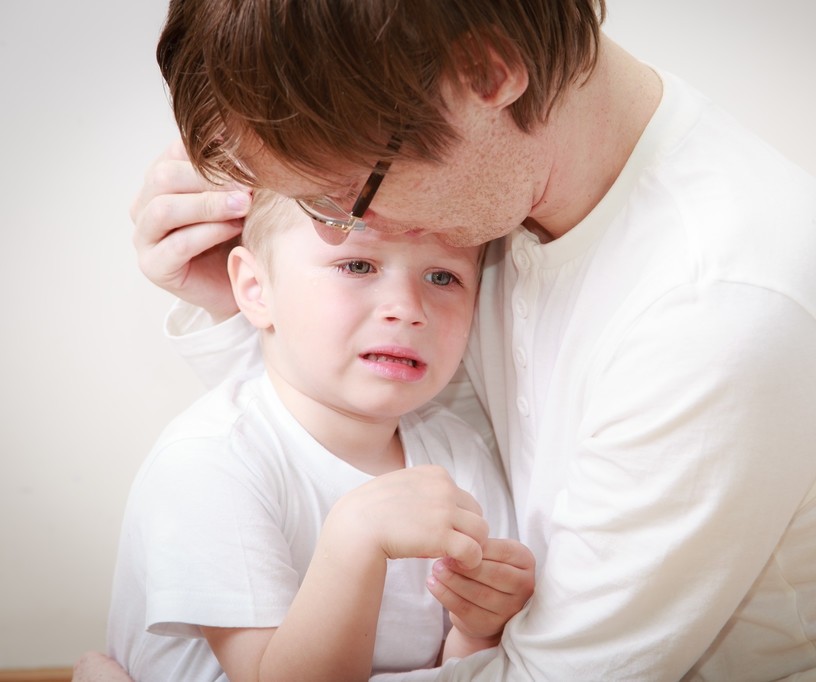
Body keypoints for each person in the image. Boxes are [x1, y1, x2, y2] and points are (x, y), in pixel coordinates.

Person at [78, 0, 816, 679]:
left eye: (343, 197)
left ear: (487, 75)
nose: (333, 228)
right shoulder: (522, 179)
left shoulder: (718, 312)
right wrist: (244, 307)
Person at [105, 189, 535, 682]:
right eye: (358, 266)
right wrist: (357, 536)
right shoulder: (210, 461)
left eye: (443, 276)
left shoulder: (459, 455)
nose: (407, 308)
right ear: (255, 288)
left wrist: (477, 627)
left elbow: (457, 668)